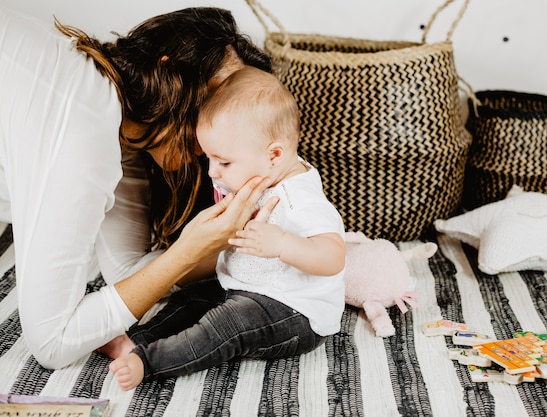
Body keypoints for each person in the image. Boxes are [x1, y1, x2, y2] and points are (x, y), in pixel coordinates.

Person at [0, 6, 278, 369]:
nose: (224, 131)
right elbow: (53, 343)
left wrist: (237, 243)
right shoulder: (86, 124)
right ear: (166, 70)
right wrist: (188, 250)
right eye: (217, 104)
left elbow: (128, 273)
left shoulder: (121, 128)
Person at [107, 66, 346, 391]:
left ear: (274, 154)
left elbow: (333, 257)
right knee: (191, 299)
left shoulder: (299, 199)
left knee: (228, 324)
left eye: (224, 162)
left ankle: (150, 362)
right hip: (241, 286)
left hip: (294, 311)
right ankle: (137, 340)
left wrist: (282, 245)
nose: (211, 172)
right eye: (209, 159)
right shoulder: (257, 174)